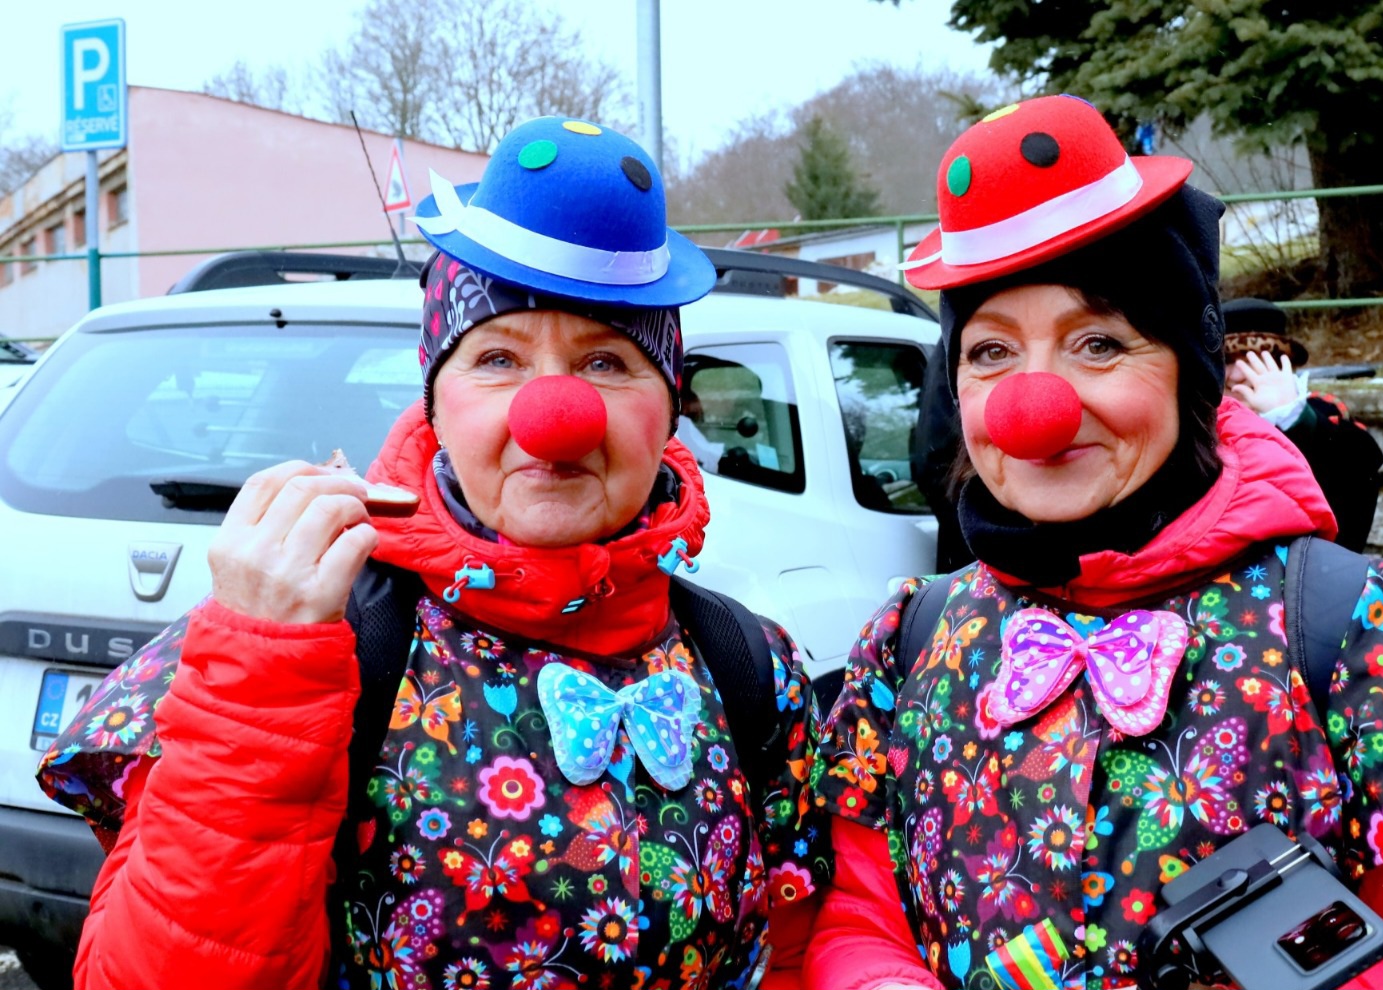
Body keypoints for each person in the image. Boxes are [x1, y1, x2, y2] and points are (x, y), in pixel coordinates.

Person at [38, 118, 830, 990]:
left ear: (669, 406)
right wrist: (262, 690)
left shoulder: (750, 662)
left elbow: (789, 953)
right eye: (496, 358)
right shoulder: (312, 633)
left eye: (607, 363)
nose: (552, 413)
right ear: (435, 400)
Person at [804, 95, 1383, 990]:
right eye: (990, 353)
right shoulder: (910, 640)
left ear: (1189, 372)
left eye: (1098, 343)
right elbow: (858, 915)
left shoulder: (1364, 630)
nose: (1033, 405)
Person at [1223, 297, 1383, 551]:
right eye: (1225, 361)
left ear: (1283, 364)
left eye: (1254, 359)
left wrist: (1292, 418)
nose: (1236, 375)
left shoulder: (1325, 420)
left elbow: (1358, 473)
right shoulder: (1193, 427)